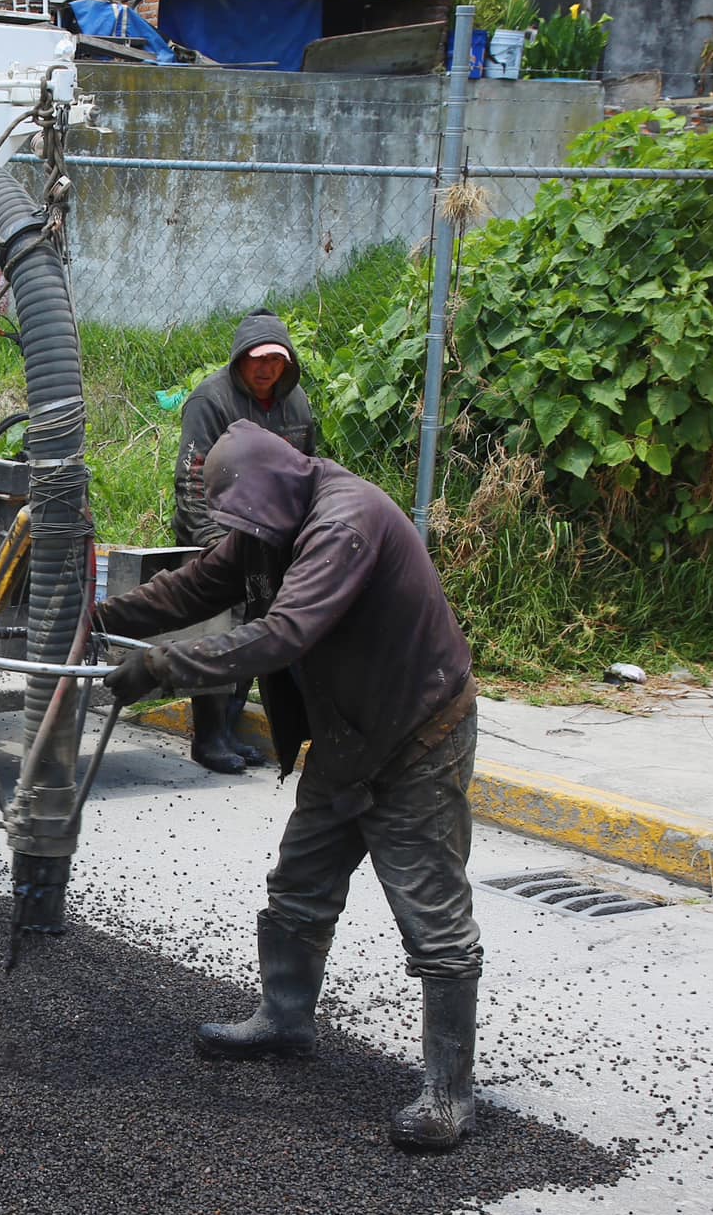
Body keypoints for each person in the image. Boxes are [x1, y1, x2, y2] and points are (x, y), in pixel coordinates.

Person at [98, 421, 482, 1152]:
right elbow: (196, 586)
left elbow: (284, 633)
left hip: (416, 731)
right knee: (300, 881)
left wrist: (164, 667)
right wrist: (96, 618)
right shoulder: (270, 519)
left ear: (274, 488)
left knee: (431, 915)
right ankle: (285, 1019)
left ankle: (448, 1094)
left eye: (242, 520)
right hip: (345, 731)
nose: (239, 536)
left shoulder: (347, 522)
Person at [172, 308, 319, 775]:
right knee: (221, 629)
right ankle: (209, 737)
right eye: (256, 360)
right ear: (240, 360)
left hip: (271, 537)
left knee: (259, 627)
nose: (265, 369)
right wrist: (213, 545)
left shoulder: (296, 406)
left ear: (287, 363)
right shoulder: (210, 401)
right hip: (218, 534)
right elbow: (192, 481)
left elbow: (307, 472)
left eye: (275, 361)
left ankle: (231, 726)